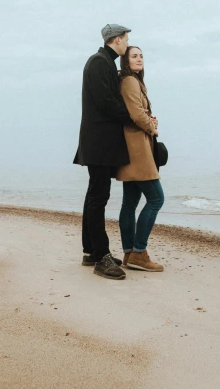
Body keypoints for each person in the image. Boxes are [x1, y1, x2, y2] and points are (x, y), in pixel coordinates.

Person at [73, 23, 132, 280]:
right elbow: (107, 102)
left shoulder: (104, 62)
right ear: (116, 40)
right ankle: (101, 257)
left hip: (99, 141)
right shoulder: (99, 62)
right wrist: (134, 117)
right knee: (99, 198)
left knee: (94, 196)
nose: (128, 44)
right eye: (126, 39)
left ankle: (92, 252)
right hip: (99, 142)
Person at [116, 45, 165, 272]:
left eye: (142, 56)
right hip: (137, 148)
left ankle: (129, 253)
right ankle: (138, 252)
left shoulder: (132, 81)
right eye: (134, 56)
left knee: (130, 203)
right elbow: (136, 113)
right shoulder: (129, 81)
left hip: (131, 147)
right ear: (125, 60)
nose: (139, 59)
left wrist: (149, 120)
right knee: (156, 199)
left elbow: (136, 112)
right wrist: (152, 128)